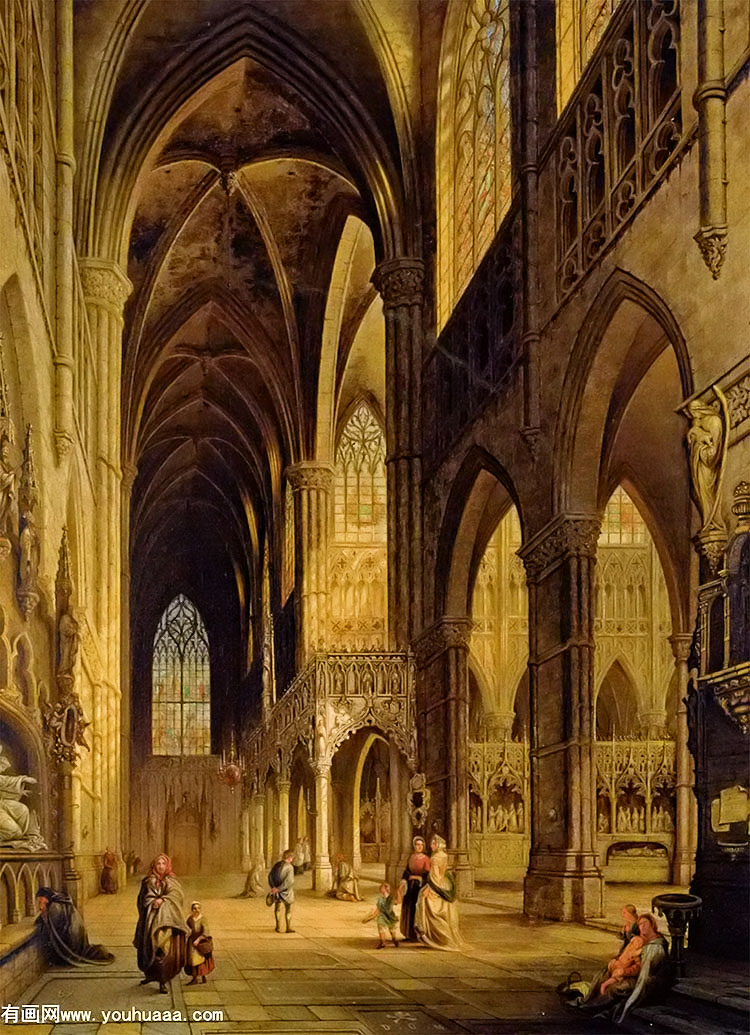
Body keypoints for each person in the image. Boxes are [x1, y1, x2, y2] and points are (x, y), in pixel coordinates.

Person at [133, 854, 188, 994]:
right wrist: (151, 902)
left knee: (162, 949)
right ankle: (150, 975)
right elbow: (142, 900)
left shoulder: (172, 881)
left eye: (164, 863)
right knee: (148, 946)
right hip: (150, 920)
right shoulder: (148, 881)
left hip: (167, 922)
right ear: (154, 866)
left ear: (167, 865)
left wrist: (163, 900)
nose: (161, 866)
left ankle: (162, 980)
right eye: (158, 863)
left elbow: (177, 896)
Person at [36, 887, 114, 966]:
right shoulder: (59, 900)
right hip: (75, 935)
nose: (40, 906)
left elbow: (55, 931)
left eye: (40, 901)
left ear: (45, 899)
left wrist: (44, 918)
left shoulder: (54, 906)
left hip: (72, 939)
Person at [414, 833, 466, 951]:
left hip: (437, 885)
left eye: (434, 843)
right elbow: (443, 874)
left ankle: (435, 937)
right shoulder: (444, 855)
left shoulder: (435, 857)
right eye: (432, 843)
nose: (432, 845)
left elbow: (435, 877)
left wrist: (429, 888)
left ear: (438, 845)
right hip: (445, 884)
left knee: (424, 900)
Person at [398, 835, 430, 941]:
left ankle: (418, 935)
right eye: (417, 845)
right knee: (408, 909)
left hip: (419, 887)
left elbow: (427, 874)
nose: (419, 847)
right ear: (414, 846)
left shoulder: (426, 859)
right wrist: (404, 880)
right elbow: (407, 872)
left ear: (423, 846)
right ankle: (409, 934)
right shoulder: (411, 857)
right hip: (410, 887)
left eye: (421, 845)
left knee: (417, 909)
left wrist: (417, 877)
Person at [362, 882, 399, 948]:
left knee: (392, 929)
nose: (381, 889)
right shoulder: (380, 899)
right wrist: (371, 917)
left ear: (386, 889)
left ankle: (394, 939)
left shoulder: (391, 898)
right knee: (381, 928)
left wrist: (398, 893)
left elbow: (397, 902)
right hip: (382, 916)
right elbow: (378, 910)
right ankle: (383, 942)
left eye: (382, 888)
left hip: (390, 915)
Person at [185, 901, 214, 985]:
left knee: (201, 960)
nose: (197, 910)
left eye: (198, 908)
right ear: (192, 910)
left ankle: (202, 976)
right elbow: (187, 928)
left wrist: (198, 940)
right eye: (194, 908)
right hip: (192, 942)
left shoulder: (203, 919)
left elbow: (206, 932)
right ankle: (195, 978)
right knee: (193, 960)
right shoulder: (190, 919)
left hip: (201, 942)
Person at [268, 849, 295, 933]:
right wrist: (279, 889)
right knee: (288, 909)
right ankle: (288, 928)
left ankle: (278, 927)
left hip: (276, 891)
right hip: (286, 892)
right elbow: (289, 881)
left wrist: (274, 887)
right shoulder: (290, 867)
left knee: (277, 908)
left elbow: (270, 876)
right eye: (292, 857)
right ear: (290, 857)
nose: (292, 859)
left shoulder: (277, 865)